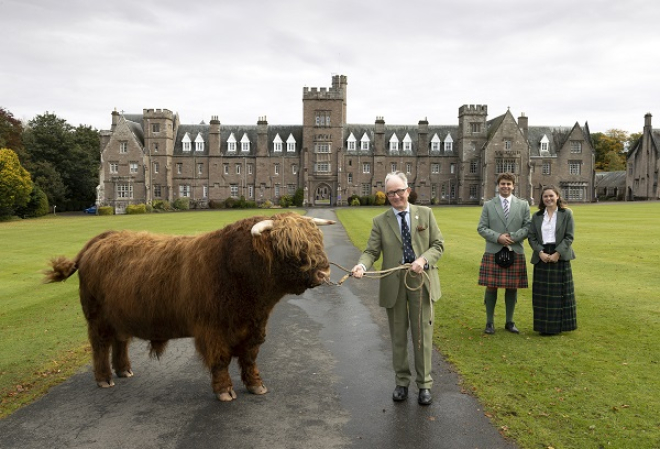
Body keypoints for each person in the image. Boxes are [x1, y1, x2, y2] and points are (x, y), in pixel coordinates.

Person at [351, 172, 444, 405]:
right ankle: (402, 382)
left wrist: (422, 260)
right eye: (391, 192)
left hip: (421, 280)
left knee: (422, 335)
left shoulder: (426, 214)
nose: (395, 196)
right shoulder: (380, 221)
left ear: (408, 190)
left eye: (399, 191)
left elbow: (438, 245)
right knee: (398, 336)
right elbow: (372, 251)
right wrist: (361, 265)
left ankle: (424, 385)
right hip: (394, 282)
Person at [477, 173, 531, 335]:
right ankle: (489, 322)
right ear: (497, 186)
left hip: (515, 250)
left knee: (512, 287)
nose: (505, 186)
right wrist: (498, 237)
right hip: (493, 250)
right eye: (502, 184)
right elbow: (481, 228)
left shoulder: (523, 205)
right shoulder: (488, 205)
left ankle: (509, 321)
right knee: (491, 287)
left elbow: (528, 227)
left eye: (508, 184)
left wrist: (512, 237)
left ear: (513, 186)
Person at [527, 185, 577, 335]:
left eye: (551, 196)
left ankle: (559, 326)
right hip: (542, 255)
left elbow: (569, 237)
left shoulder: (566, 213)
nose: (548, 199)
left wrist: (557, 253)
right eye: (545, 196)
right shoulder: (536, 216)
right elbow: (532, 237)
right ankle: (544, 327)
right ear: (542, 199)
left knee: (559, 293)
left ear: (557, 197)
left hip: (559, 255)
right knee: (542, 295)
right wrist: (540, 252)